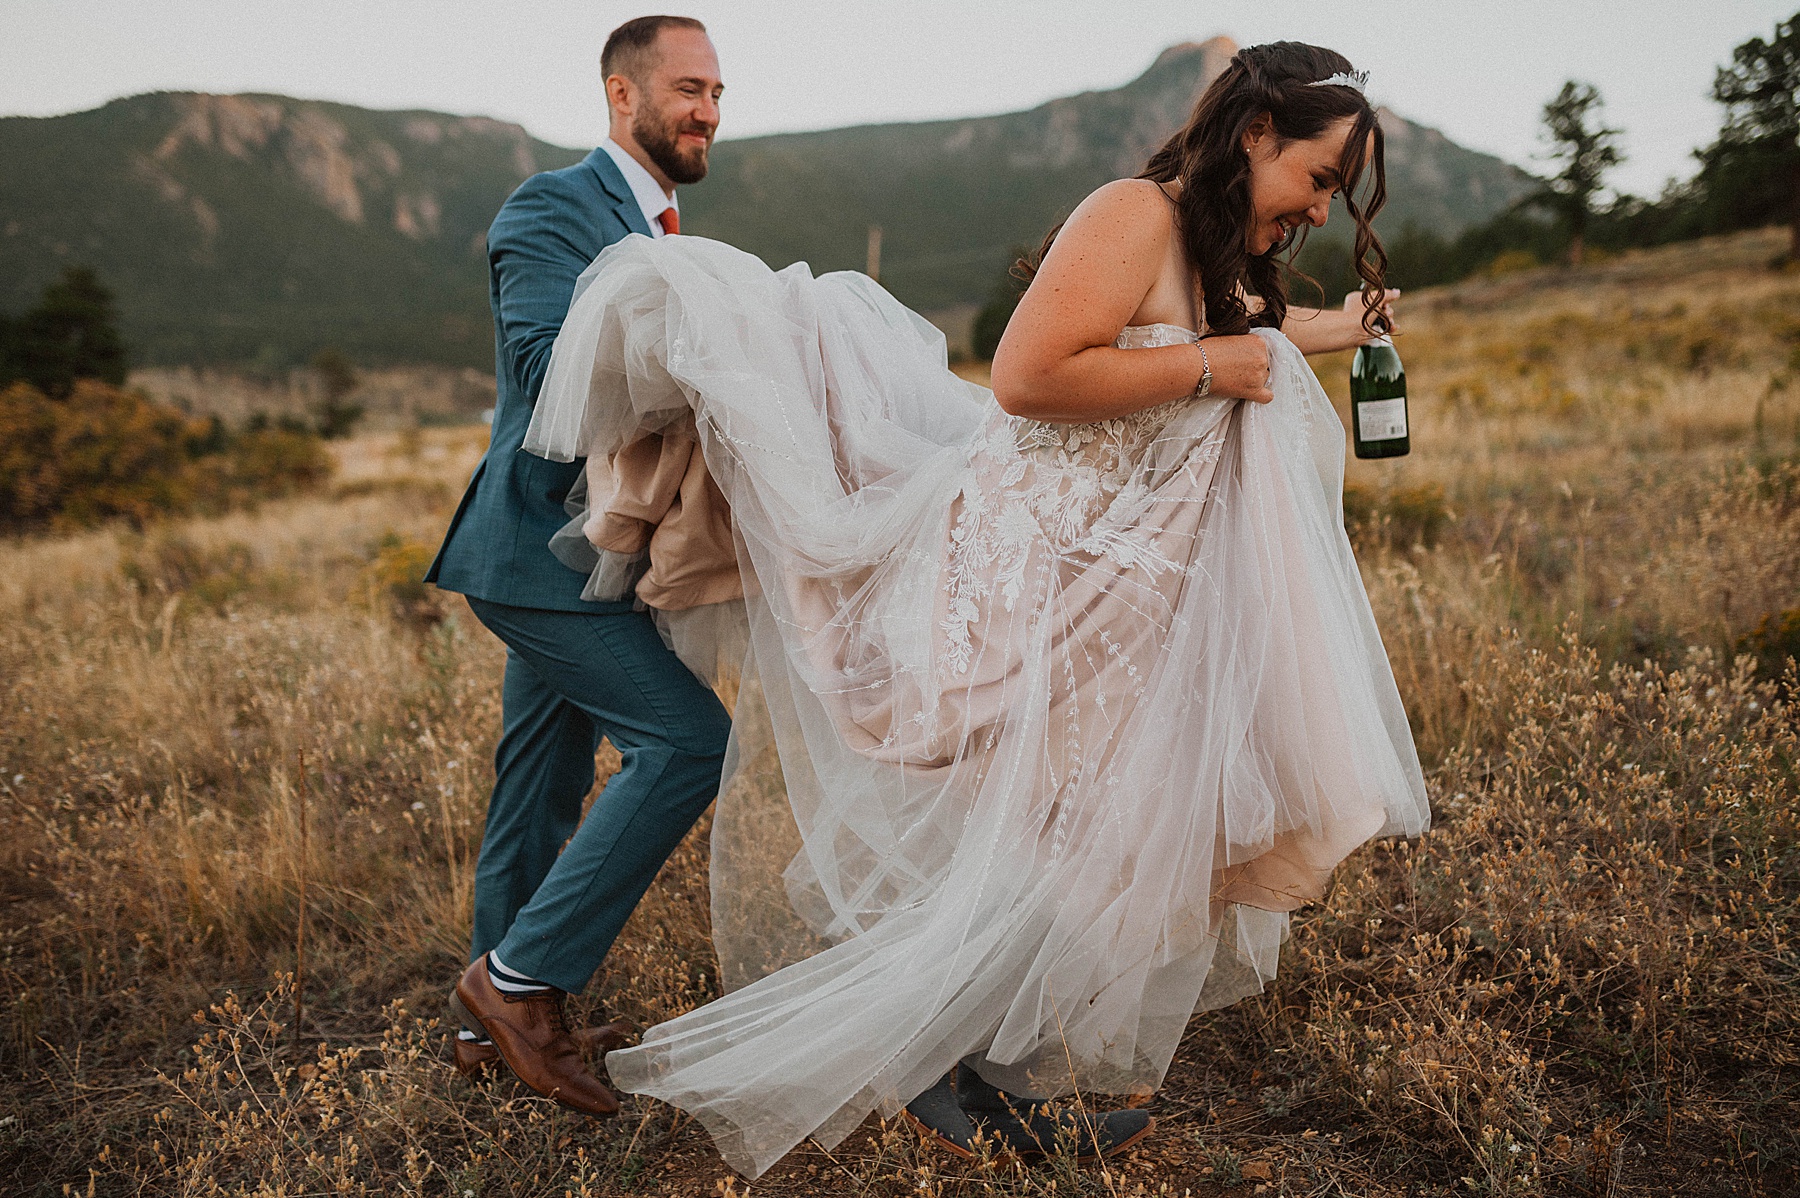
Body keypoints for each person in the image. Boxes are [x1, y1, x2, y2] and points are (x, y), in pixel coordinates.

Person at [524, 40, 1430, 1176]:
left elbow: (1216, 330)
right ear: (1254, 134)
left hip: (1108, 582)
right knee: (1069, 831)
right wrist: (1214, 368)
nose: (1317, 207)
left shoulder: (1204, 246)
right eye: (1317, 177)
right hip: (1022, 574)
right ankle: (928, 1058)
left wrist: (1331, 330)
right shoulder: (1131, 213)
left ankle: (993, 1072)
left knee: (1091, 832)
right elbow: (1029, 374)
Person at [424, 15, 730, 1117]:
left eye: (717, 93)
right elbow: (550, 375)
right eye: (688, 87)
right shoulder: (552, 207)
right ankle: (514, 985)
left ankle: (480, 1035)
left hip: (587, 555)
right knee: (690, 741)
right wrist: (716, 359)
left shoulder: (662, 227)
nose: (707, 110)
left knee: (540, 787)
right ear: (621, 94)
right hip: (534, 546)